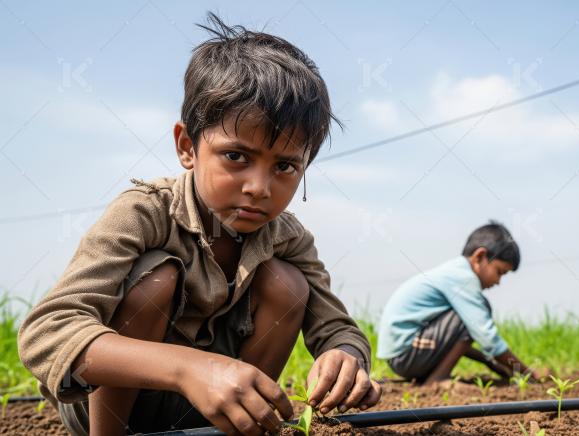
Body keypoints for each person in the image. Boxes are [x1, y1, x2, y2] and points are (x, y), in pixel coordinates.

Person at [17, 13, 380, 435]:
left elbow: (336, 327)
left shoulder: (288, 238)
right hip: (113, 407)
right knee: (156, 277)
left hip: (216, 408)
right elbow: (48, 330)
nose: (259, 188)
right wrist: (188, 369)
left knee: (288, 284)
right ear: (187, 146)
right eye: (236, 156)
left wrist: (346, 358)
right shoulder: (143, 212)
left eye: (284, 165)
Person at [377, 221, 548, 385]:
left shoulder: (455, 273)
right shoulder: (463, 279)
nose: (498, 281)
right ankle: (438, 379)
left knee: (471, 316)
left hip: (403, 356)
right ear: (479, 256)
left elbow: (453, 340)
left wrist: (492, 363)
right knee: (475, 316)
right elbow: (488, 338)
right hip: (407, 355)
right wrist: (529, 374)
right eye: (499, 272)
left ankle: (437, 376)